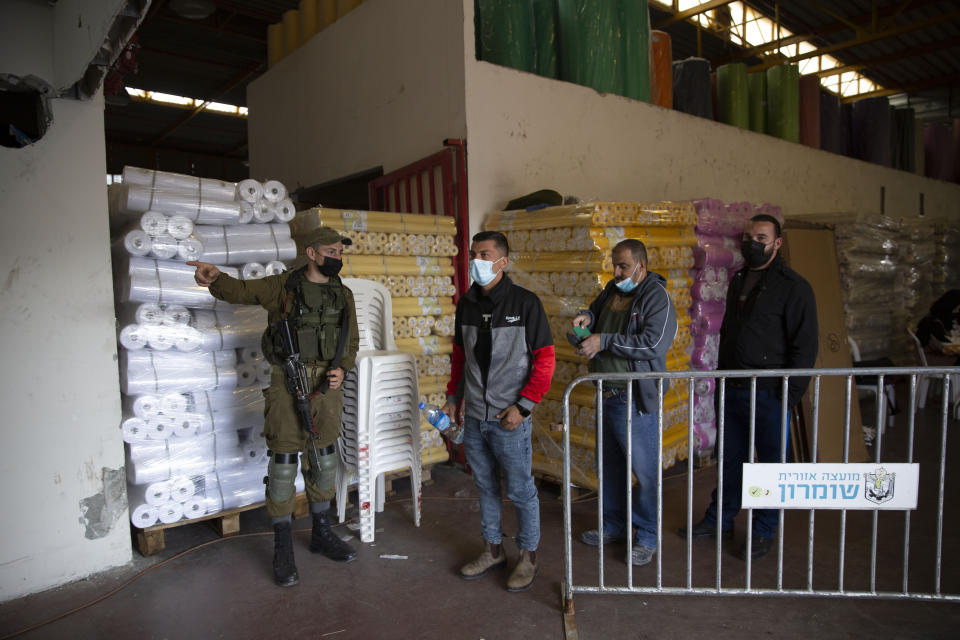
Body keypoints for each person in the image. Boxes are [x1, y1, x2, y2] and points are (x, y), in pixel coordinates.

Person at [189, 226, 360, 587]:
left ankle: (321, 532)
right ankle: (283, 546)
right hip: (287, 381)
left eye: (339, 252)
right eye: (330, 251)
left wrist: (341, 369)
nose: (337, 257)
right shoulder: (283, 286)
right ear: (311, 253)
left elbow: (351, 338)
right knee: (284, 463)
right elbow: (241, 291)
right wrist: (216, 277)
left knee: (325, 459)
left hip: (327, 387)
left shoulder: (342, 294)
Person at [681, 214, 818, 560]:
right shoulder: (739, 278)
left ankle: (763, 530)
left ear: (777, 243)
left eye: (761, 237)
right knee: (730, 460)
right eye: (748, 237)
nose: (751, 243)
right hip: (733, 387)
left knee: (770, 465)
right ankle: (720, 519)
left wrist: (790, 394)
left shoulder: (795, 286)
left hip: (770, 392)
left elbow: (805, 346)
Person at [442, 231, 555, 592]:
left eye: (484, 254)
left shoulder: (525, 304)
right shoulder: (467, 304)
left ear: (502, 262)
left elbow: (545, 361)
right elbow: (460, 358)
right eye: (474, 254)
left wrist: (523, 407)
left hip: (510, 417)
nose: (476, 260)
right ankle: (493, 550)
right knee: (485, 485)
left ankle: (528, 556)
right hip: (475, 416)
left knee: (521, 490)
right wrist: (452, 397)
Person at [573, 239, 678, 566]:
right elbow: (596, 312)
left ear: (641, 266)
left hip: (633, 396)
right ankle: (613, 526)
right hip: (605, 391)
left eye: (624, 266)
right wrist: (585, 319)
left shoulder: (656, 297)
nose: (617, 272)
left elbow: (653, 344)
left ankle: (646, 536)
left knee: (645, 472)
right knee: (610, 467)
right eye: (615, 265)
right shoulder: (612, 292)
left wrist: (603, 340)